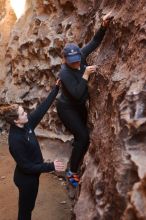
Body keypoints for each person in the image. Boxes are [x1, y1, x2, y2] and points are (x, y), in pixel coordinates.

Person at [56, 15, 112, 187]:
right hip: (67, 108)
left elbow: (94, 42)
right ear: (65, 59)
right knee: (83, 136)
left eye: (78, 61)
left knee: (81, 134)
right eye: (72, 62)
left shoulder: (79, 55)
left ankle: (77, 154)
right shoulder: (64, 73)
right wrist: (86, 74)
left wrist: (103, 26)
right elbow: (77, 93)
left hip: (79, 106)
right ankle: (72, 172)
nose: (76, 64)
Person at [0, 80, 65, 220]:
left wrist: (56, 88)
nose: (26, 114)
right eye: (23, 114)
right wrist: (51, 166)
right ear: (16, 121)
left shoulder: (26, 124)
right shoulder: (15, 141)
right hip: (26, 180)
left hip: (32, 176)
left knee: (29, 207)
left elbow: (42, 109)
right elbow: (27, 167)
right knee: (25, 211)